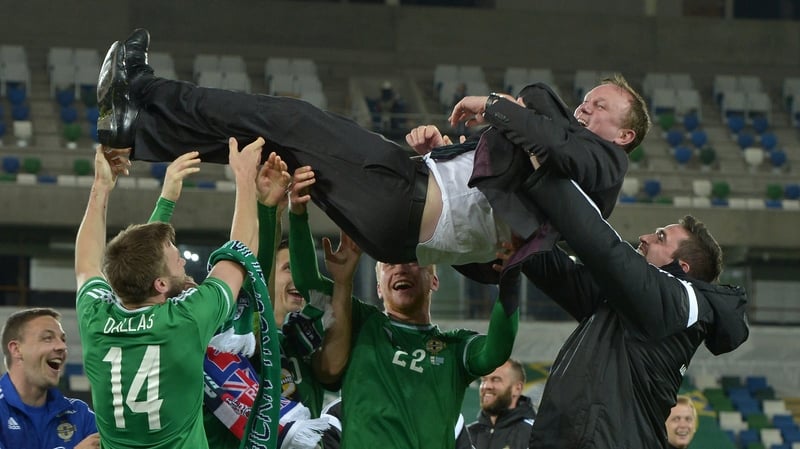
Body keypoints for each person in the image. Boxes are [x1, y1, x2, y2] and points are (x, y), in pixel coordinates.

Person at [95, 29, 648, 283]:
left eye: (598, 107)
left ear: (623, 136)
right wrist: (448, 157)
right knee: (278, 140)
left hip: (407, 205)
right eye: (584, 101)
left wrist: (498, 107)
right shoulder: (564, 170)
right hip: (409, 209)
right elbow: (496, 236)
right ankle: (136, 133)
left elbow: (548, 139)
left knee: (289, 119)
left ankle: (142, 89)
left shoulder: (604, 168)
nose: (583, 110)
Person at [514, 154, 749, 447]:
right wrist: (506, 188)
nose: (644, 237)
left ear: (682, 269)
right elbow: (554, 270)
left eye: (660, 237)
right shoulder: (631, 300)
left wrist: (545, 176)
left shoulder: (682, 303)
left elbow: (604, 247)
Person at [283, 166, 521, 449]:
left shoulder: (455, 347)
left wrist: (510, 281)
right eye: (388, 265)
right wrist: (297, 215)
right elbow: (307, 282)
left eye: (411, 261)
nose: (400, 269)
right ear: (378, 288)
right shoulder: (359, 322)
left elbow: (497, 350)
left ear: (434, 279)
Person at [74, 137, 267, 449]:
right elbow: (239, 254)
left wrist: (102, 185)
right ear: (160, 286)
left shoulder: (96, 319)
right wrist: (245, 178)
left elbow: (87, 262)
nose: (181, 259)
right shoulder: (185, 320)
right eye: (174, 257)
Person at [0, 308, 99, 449]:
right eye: (47, 338)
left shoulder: (80, 415)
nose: (62, 346)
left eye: (63, 339)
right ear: (17, 349)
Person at [467, 359, 536, 449]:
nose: (486, 386)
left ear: (517, 388)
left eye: (495, 380)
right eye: (484, 380)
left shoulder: (534, 434)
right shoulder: (467, 434)